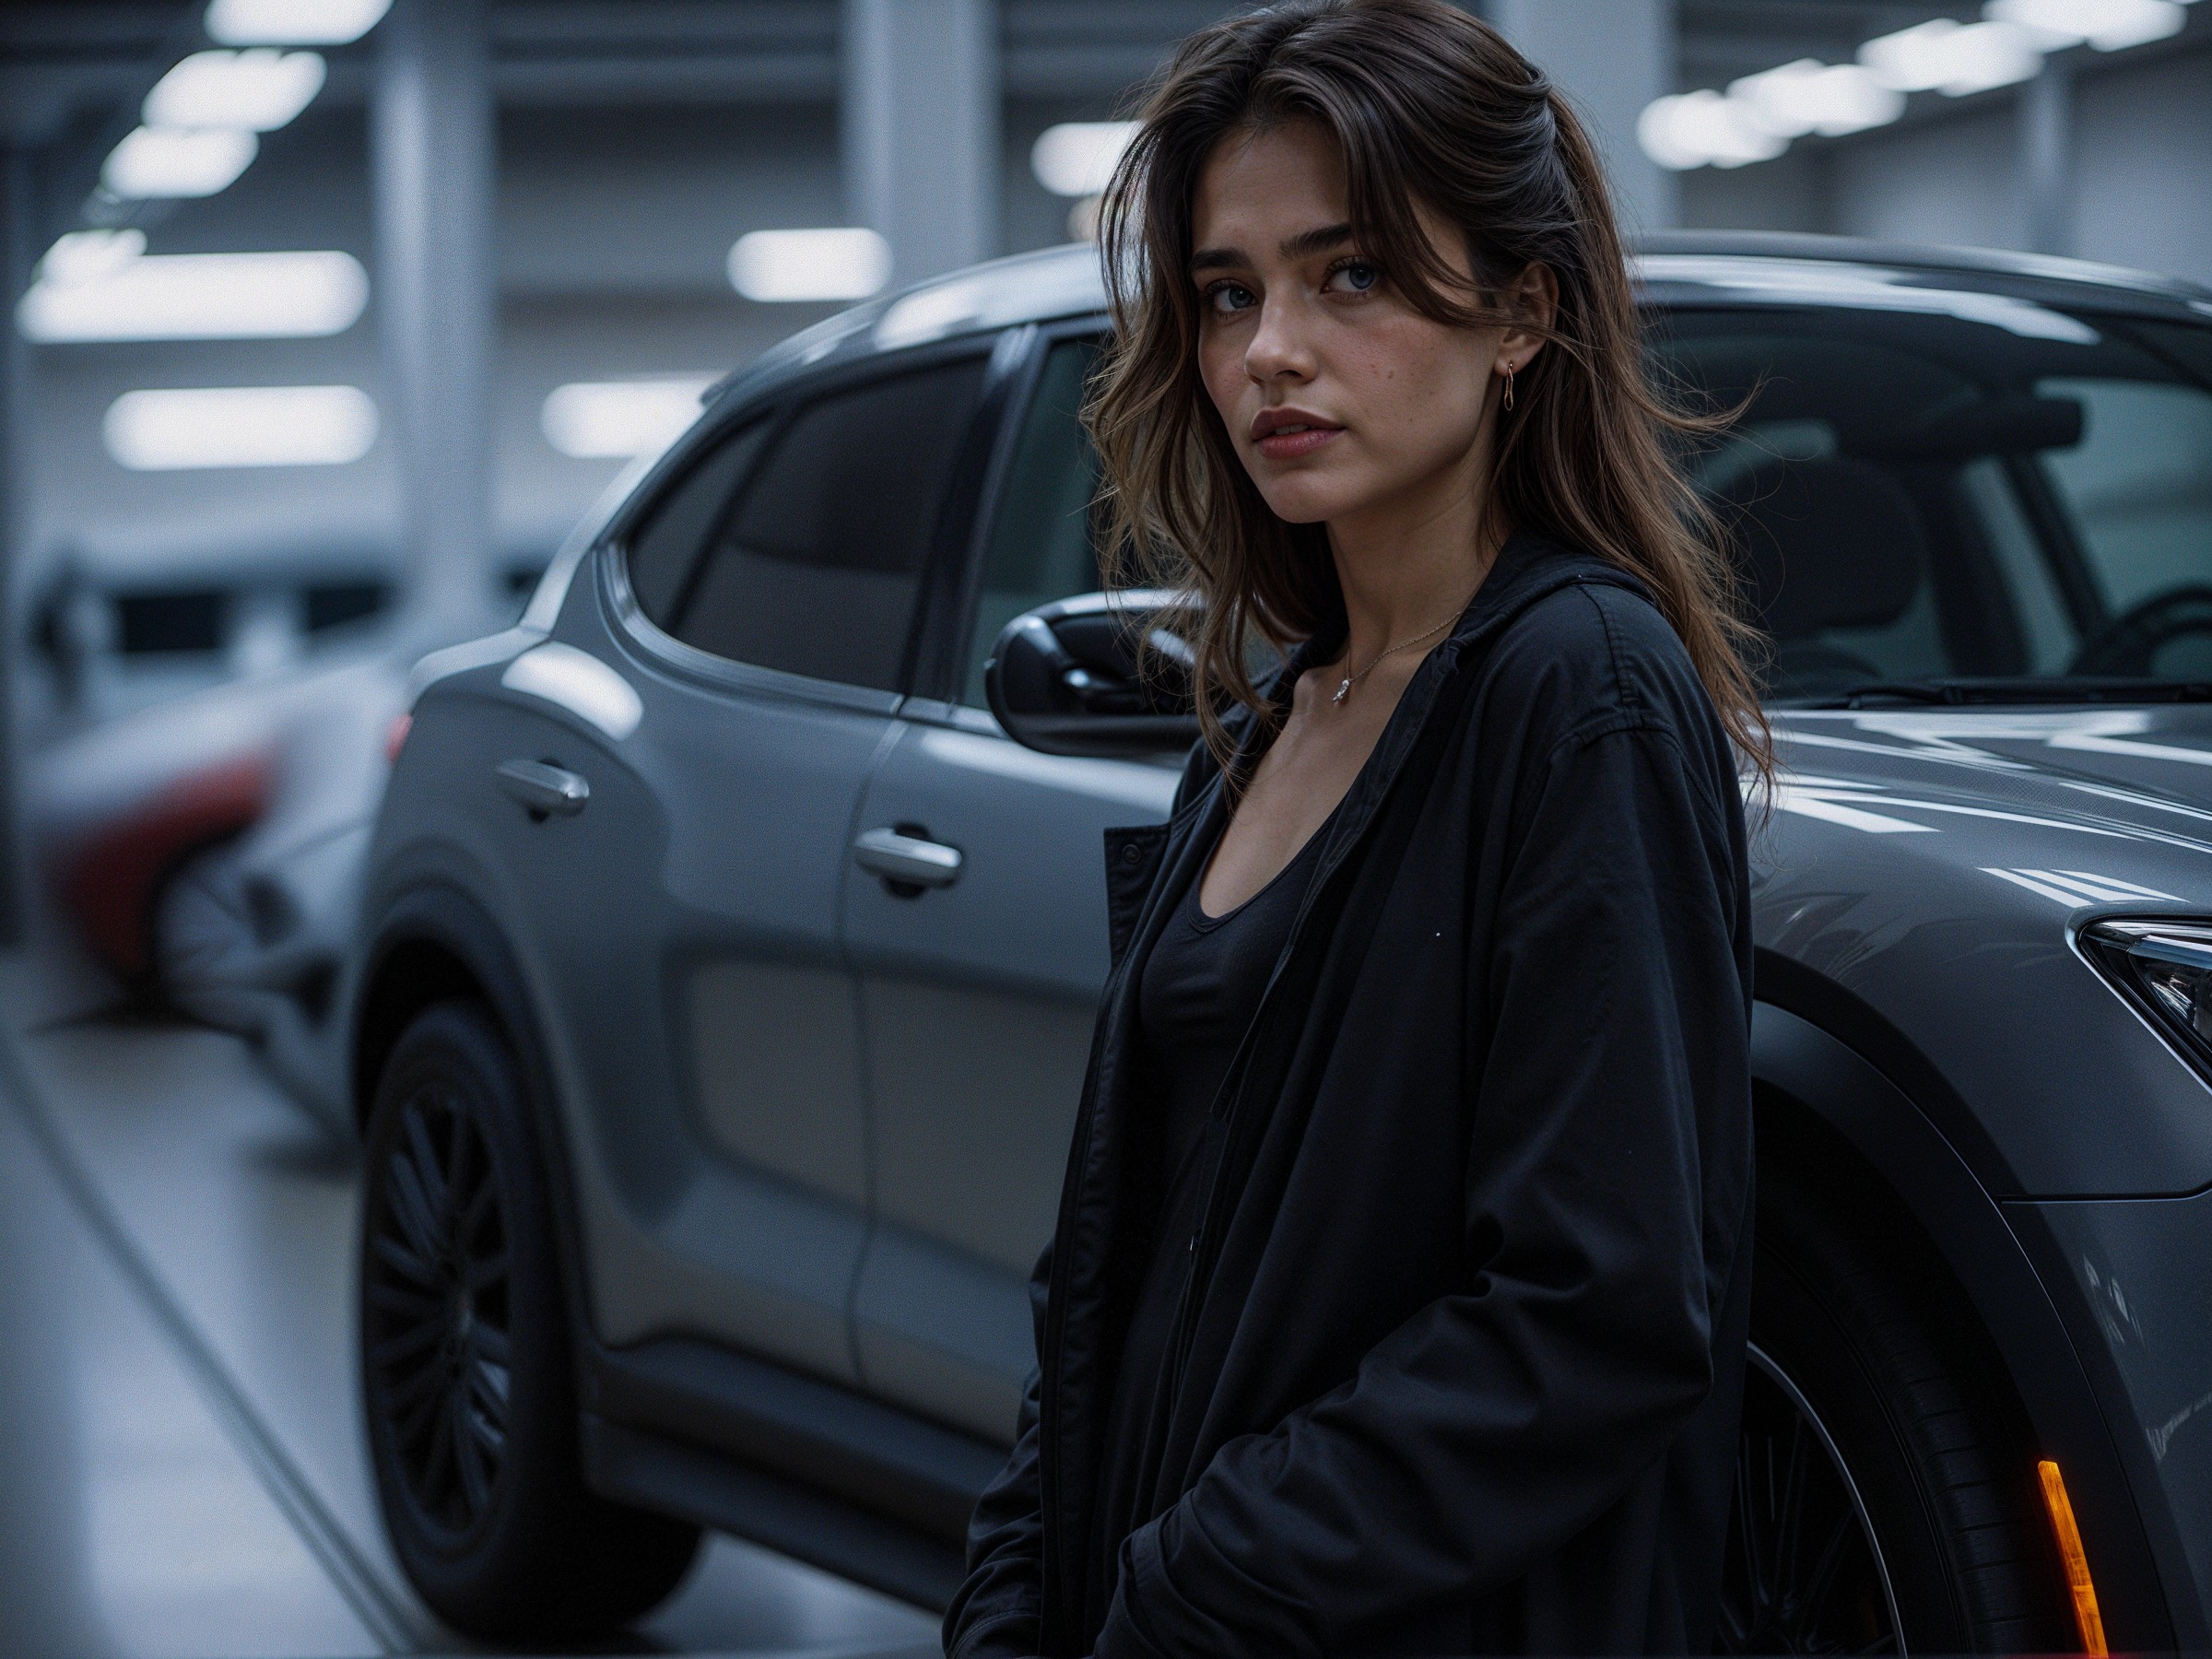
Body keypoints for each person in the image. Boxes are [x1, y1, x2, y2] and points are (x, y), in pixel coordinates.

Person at [945, 2, 1764, 1653]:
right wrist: (1024, 1591)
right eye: (1228, 293)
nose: (1268, 353)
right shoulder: (1263, 726)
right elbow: (1112, 1263)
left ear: (1524, 310)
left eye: (1354, 275)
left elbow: (1594, 1313)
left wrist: (1198, 1587)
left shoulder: (1579, 691)